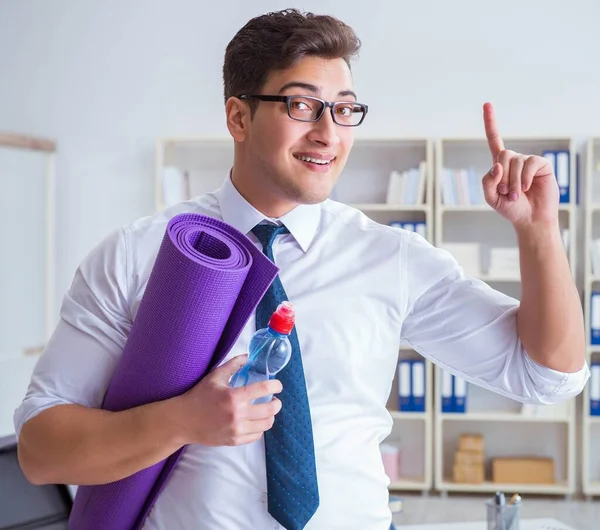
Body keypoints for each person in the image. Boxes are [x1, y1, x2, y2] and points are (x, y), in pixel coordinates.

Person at [14, 8, 588, 530]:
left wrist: (537, 232)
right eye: (302, 105)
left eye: (343, 109)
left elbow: (548, 376)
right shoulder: (139, 255)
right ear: (238, 117)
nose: (328, 133)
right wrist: (182, 422)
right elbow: (40, 452)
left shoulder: (391, 259)